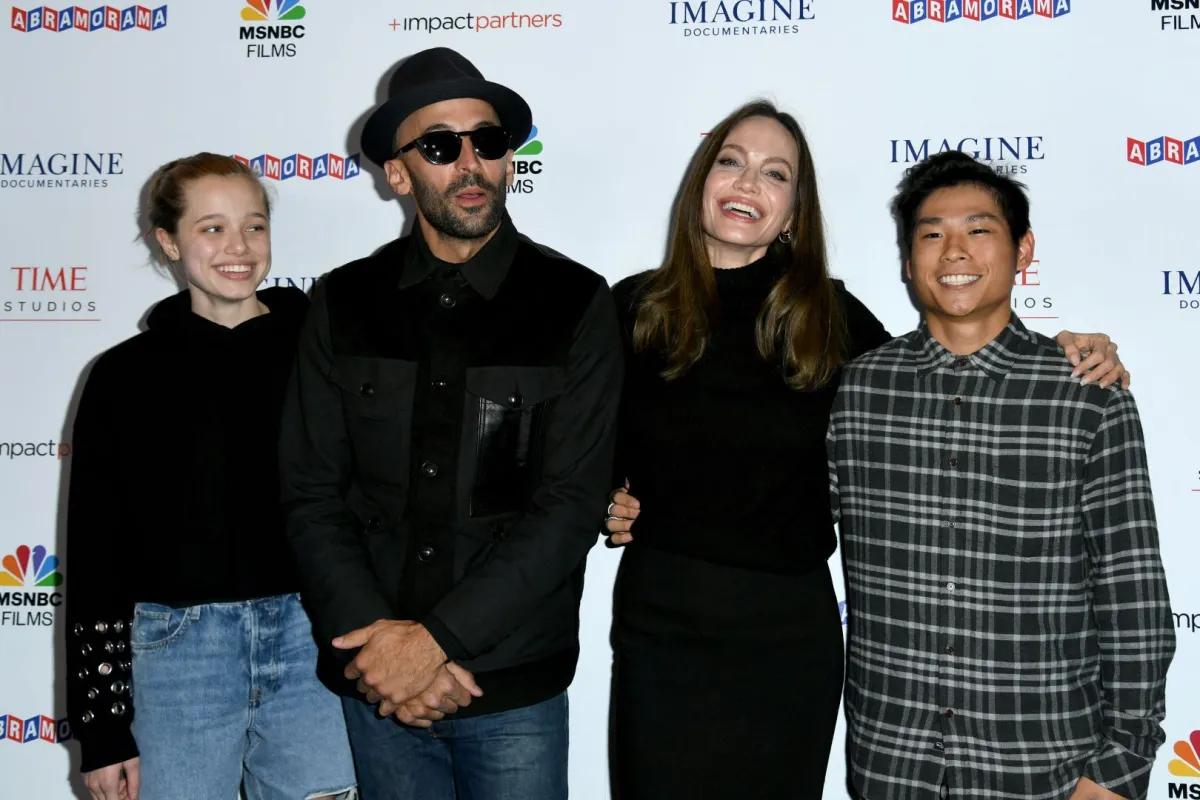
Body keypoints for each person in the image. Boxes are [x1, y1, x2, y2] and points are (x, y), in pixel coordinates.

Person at [602, 102, 1131, 799]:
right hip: (661, 627)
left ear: (794, 211)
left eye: (775, 173)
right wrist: (608, 499)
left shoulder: (829, 315)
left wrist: (1057, 349)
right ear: (701, 179)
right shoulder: (630, 310)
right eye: (730, 161)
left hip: (787, 638)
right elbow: (574, 453)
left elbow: (948, 370)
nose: (747, 184)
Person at [278, 47, 622, 800]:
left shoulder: (575, 302)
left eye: (488, 142)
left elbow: (568, 504)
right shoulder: (342, 302)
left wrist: (433, 645)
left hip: (510, 680)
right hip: (375, 685)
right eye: (440, 146)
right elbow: (311, 493)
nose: (471, 163)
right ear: (398, 173)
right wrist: (383, 652)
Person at [826, 150, 1175, 800]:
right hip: (891, 766)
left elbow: (1133, 597)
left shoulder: (1087, 393)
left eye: (979, 230)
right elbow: (769, 510)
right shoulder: (857, 390)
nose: (954, 251)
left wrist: (1119, 769)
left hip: (1047, 770)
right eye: (931, 234)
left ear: (1023, 251)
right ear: (907, 259)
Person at [65, 153, 357, 800]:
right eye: (212, 228)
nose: (239, 248)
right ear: (168, 241)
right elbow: (97, 554)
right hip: (178, 655)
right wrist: (104, 730)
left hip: (313, 644)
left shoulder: (321, 353)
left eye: (254, 226)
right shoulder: (121, 377)